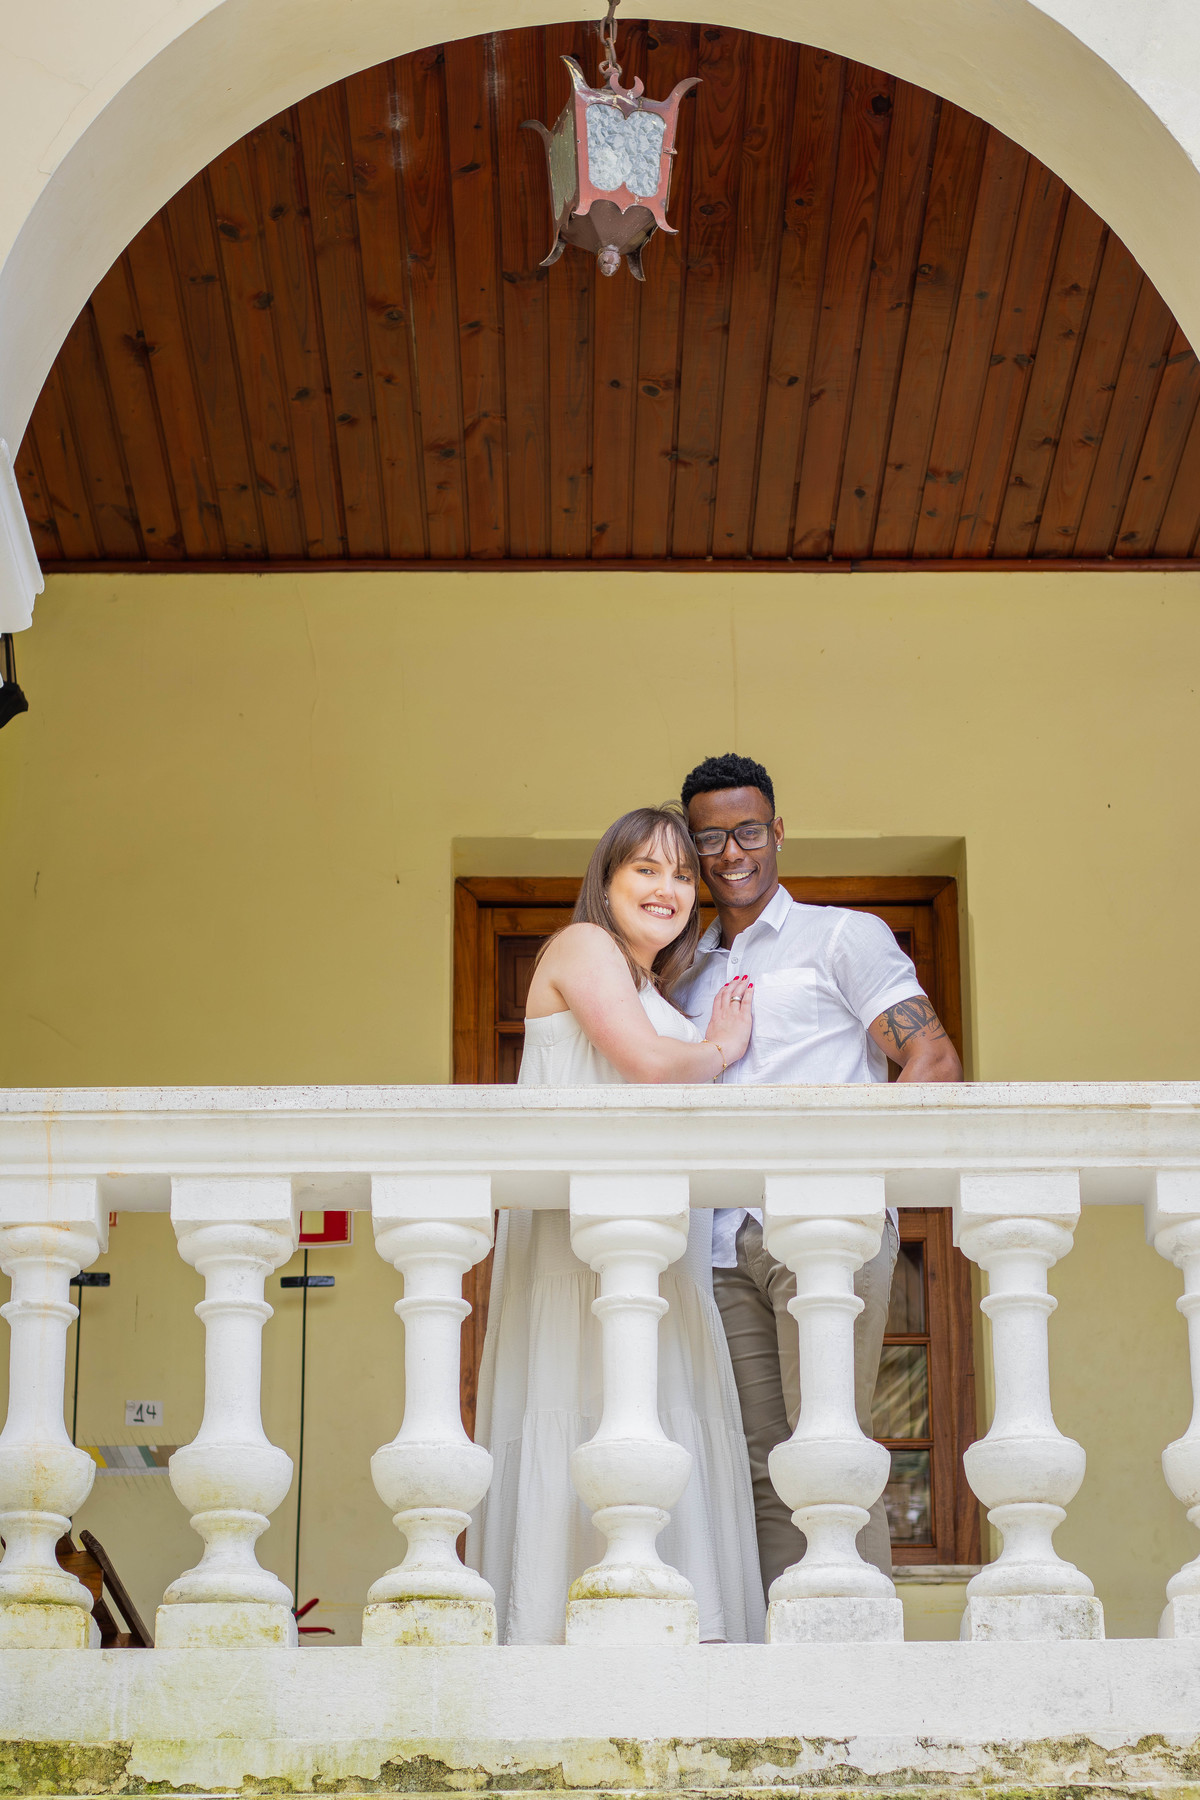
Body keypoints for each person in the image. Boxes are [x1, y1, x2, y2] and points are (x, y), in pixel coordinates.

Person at [468, 804, 766, 1645]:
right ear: (605, 881)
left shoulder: (649, 989)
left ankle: (681, 1623)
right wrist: (721, 1047)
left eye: (683, 875)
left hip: (658, 1257)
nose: (669, 888)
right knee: (584, 1411)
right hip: (584, 1253)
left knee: (655, 1427)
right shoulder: (582, 946)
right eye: (647, 868)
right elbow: (644, 1064)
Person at [675, 752, 962, 1599]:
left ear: (778, 832)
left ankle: (854, 1650)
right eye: (711, 838)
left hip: (824, 1231)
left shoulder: (842, 936)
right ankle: (786, 1648)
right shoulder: (685, 966)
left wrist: (859, 1181)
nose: (733, 852)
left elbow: (932, 1061)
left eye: (748, 831)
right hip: (718, 1244)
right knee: (764, 1464)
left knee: (829, 1446)